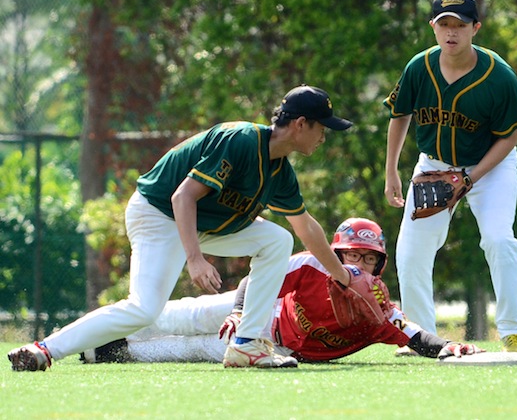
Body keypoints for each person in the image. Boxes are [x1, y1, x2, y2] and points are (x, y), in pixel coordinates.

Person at [8, 85, 357, 372]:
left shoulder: (280, 172)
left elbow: (306, 228)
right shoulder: (241, 140)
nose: (324, 136)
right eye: (321, 127)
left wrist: (342, 277)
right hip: (158, 213)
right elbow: (182, 197)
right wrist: (195, 259)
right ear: (299, 124)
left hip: (201, 224)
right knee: (144, 309)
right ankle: (44, 349)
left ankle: (247, 344)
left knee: (277, 239)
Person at [80, 218, 483, 364]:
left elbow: (413, 334)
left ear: (380, 266)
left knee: (193, 349)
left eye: (368, 258)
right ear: (333, 253)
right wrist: (239, 314)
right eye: (350, 255)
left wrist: (448, 346)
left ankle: (106, 352)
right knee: (182, 315)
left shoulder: (376, 307)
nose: (358, 264)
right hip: (257, 309)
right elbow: (255, 281)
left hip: (280, 349)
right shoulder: (310, 263)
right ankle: (88, 330)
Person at [383, 0, 517, 353]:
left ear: (475, 28)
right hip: (433, 165)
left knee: (498, 240)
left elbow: (510, 135)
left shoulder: (499, 77)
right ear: (433, 27)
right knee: (411, 250)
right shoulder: (419, 67)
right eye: (444, 24)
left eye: (460, 25)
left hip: (489, 168)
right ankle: (420, 336)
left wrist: (470, 179)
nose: (452, 32)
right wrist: (392, 172)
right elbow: (400, 114)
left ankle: (512, 330)